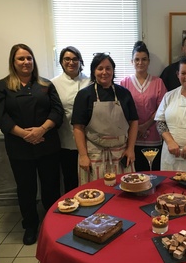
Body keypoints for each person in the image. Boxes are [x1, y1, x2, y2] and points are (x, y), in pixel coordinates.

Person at [0, 43, 63, 245]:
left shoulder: (45, 85)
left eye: (29, 58)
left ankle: (53, 223)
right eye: (21, 58)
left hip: (47, 144)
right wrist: (24, 134)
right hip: (19, 147)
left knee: (51, 186)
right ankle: (30, 225)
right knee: (26, 188)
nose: (25, 62)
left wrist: (41, 130)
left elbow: (57, 112)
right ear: (13, 62)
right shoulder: (2, 86)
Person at [71, 53, 139, 183]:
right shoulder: (84, 95)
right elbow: (78, 127)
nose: (104, 72)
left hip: (121, 154)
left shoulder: (124, 94)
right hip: (94, 154)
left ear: (113, 71)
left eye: (108, 68)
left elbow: (134, 122)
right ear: (93, 71)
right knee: (94, 194)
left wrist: (130, 149)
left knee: (124, 193)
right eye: (100, 68)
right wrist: (83, 155)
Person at [120, 41, 167, 171]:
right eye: (137, 59)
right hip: (131, 138)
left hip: (153, 136)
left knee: (152, 173)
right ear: (132, 61)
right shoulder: (124, 83)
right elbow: (122, 110)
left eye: (144, 59)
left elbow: (162, 108)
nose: (140, 63)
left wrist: (145, 126)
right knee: (134, 174)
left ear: (149, 61)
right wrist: (136, 128)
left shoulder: (158, 82)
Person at [51, 46, 91, 193]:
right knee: (70, 181)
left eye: (75, 59)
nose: (71, 62)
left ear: (80, 62)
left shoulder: (90, 81)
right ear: (61, 62)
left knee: (89, 182)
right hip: (65, 141)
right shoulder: (53, 84)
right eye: (67, 59)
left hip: (90, 141)